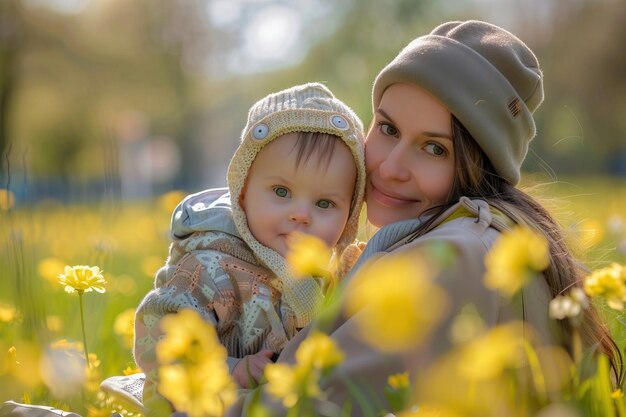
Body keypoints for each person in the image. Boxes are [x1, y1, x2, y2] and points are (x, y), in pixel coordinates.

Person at [223, 19, 623, 416]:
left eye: (434, 149)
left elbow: (301, 408)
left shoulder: (455, 257)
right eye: (388, 128)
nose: (390, 166)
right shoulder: (489, 237)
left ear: (479, 164)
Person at [104, 83, 367, 416]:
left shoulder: (331, 275)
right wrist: (229, 369)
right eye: (282, 192)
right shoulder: (212, 265)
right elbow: (159, 336)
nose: (301, 214)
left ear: (350, 217)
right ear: (242, 193)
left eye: (325, 202)